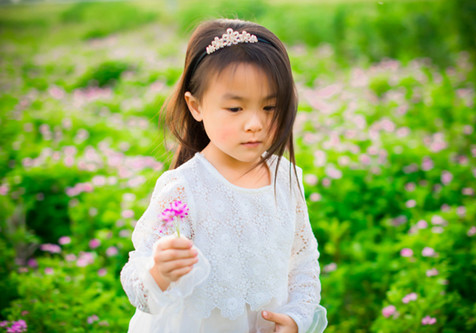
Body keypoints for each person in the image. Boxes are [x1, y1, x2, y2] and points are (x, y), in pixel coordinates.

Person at [120, 18, 328, 333]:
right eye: (235, 109)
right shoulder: (184, 188)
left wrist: (297, 317)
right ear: (196, 106)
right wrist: (158, 273)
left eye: (270, 107)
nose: (255, 123)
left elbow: (302, 264)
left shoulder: (286, 178)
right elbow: (140, 286)